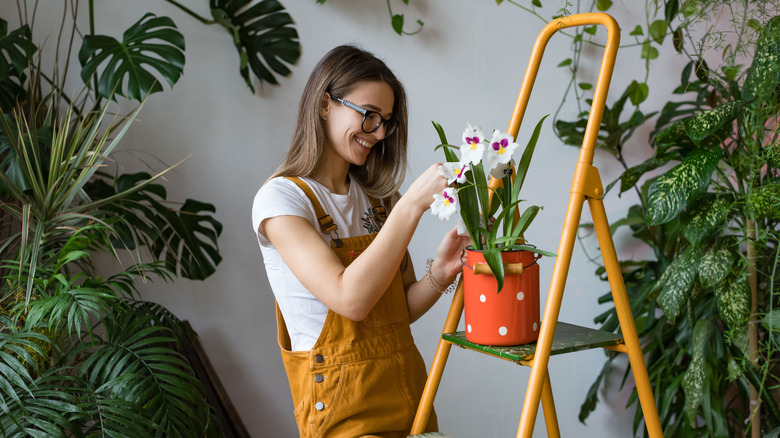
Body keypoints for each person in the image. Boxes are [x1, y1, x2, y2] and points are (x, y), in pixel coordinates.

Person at [252, 44, 469, 437]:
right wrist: (413, 206)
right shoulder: (282, 200)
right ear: (324, 104)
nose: (379, 132)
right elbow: (350, 300)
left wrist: (440, 273)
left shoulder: (379, 198)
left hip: (408, 396)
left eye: (386, 121)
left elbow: (395, 311)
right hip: (344, 411)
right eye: (369, 116)